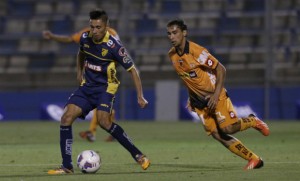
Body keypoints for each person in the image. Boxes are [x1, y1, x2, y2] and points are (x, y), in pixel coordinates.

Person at [47, 9, 150, 174]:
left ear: (106, 26)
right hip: (87, 87)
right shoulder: (85, 38)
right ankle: (67, 167)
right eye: (92, 27)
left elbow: (132, 70)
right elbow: (81, 53)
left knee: (104, 122)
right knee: (66, 117)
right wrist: (79, 71)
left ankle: (138, 155)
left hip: (105, 89)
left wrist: (140, 95)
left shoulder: (114, 47)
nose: (94, 31)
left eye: (98, 27)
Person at [166, 19, 270, 170]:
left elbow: (221, 69)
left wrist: (215, 95)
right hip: (199, 102)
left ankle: (253, 121)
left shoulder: (197, 52)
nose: (171, 36)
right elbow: (187, 78)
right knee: (217, 134)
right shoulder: (172, 55)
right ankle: (254, 159)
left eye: (175, 33)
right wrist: (191, 96)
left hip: (215, 95)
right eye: (169, 33)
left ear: (184, 33)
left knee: (228, 129)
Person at [42, 24, 120, 142]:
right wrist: (52, 36)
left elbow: (118, 52)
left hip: (107, 73)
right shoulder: (87, 33)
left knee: (101, 106)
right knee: (103, 106)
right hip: (93, 73)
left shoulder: (112, 34)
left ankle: (94, 132)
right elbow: (69, 39)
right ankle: (100, 132)